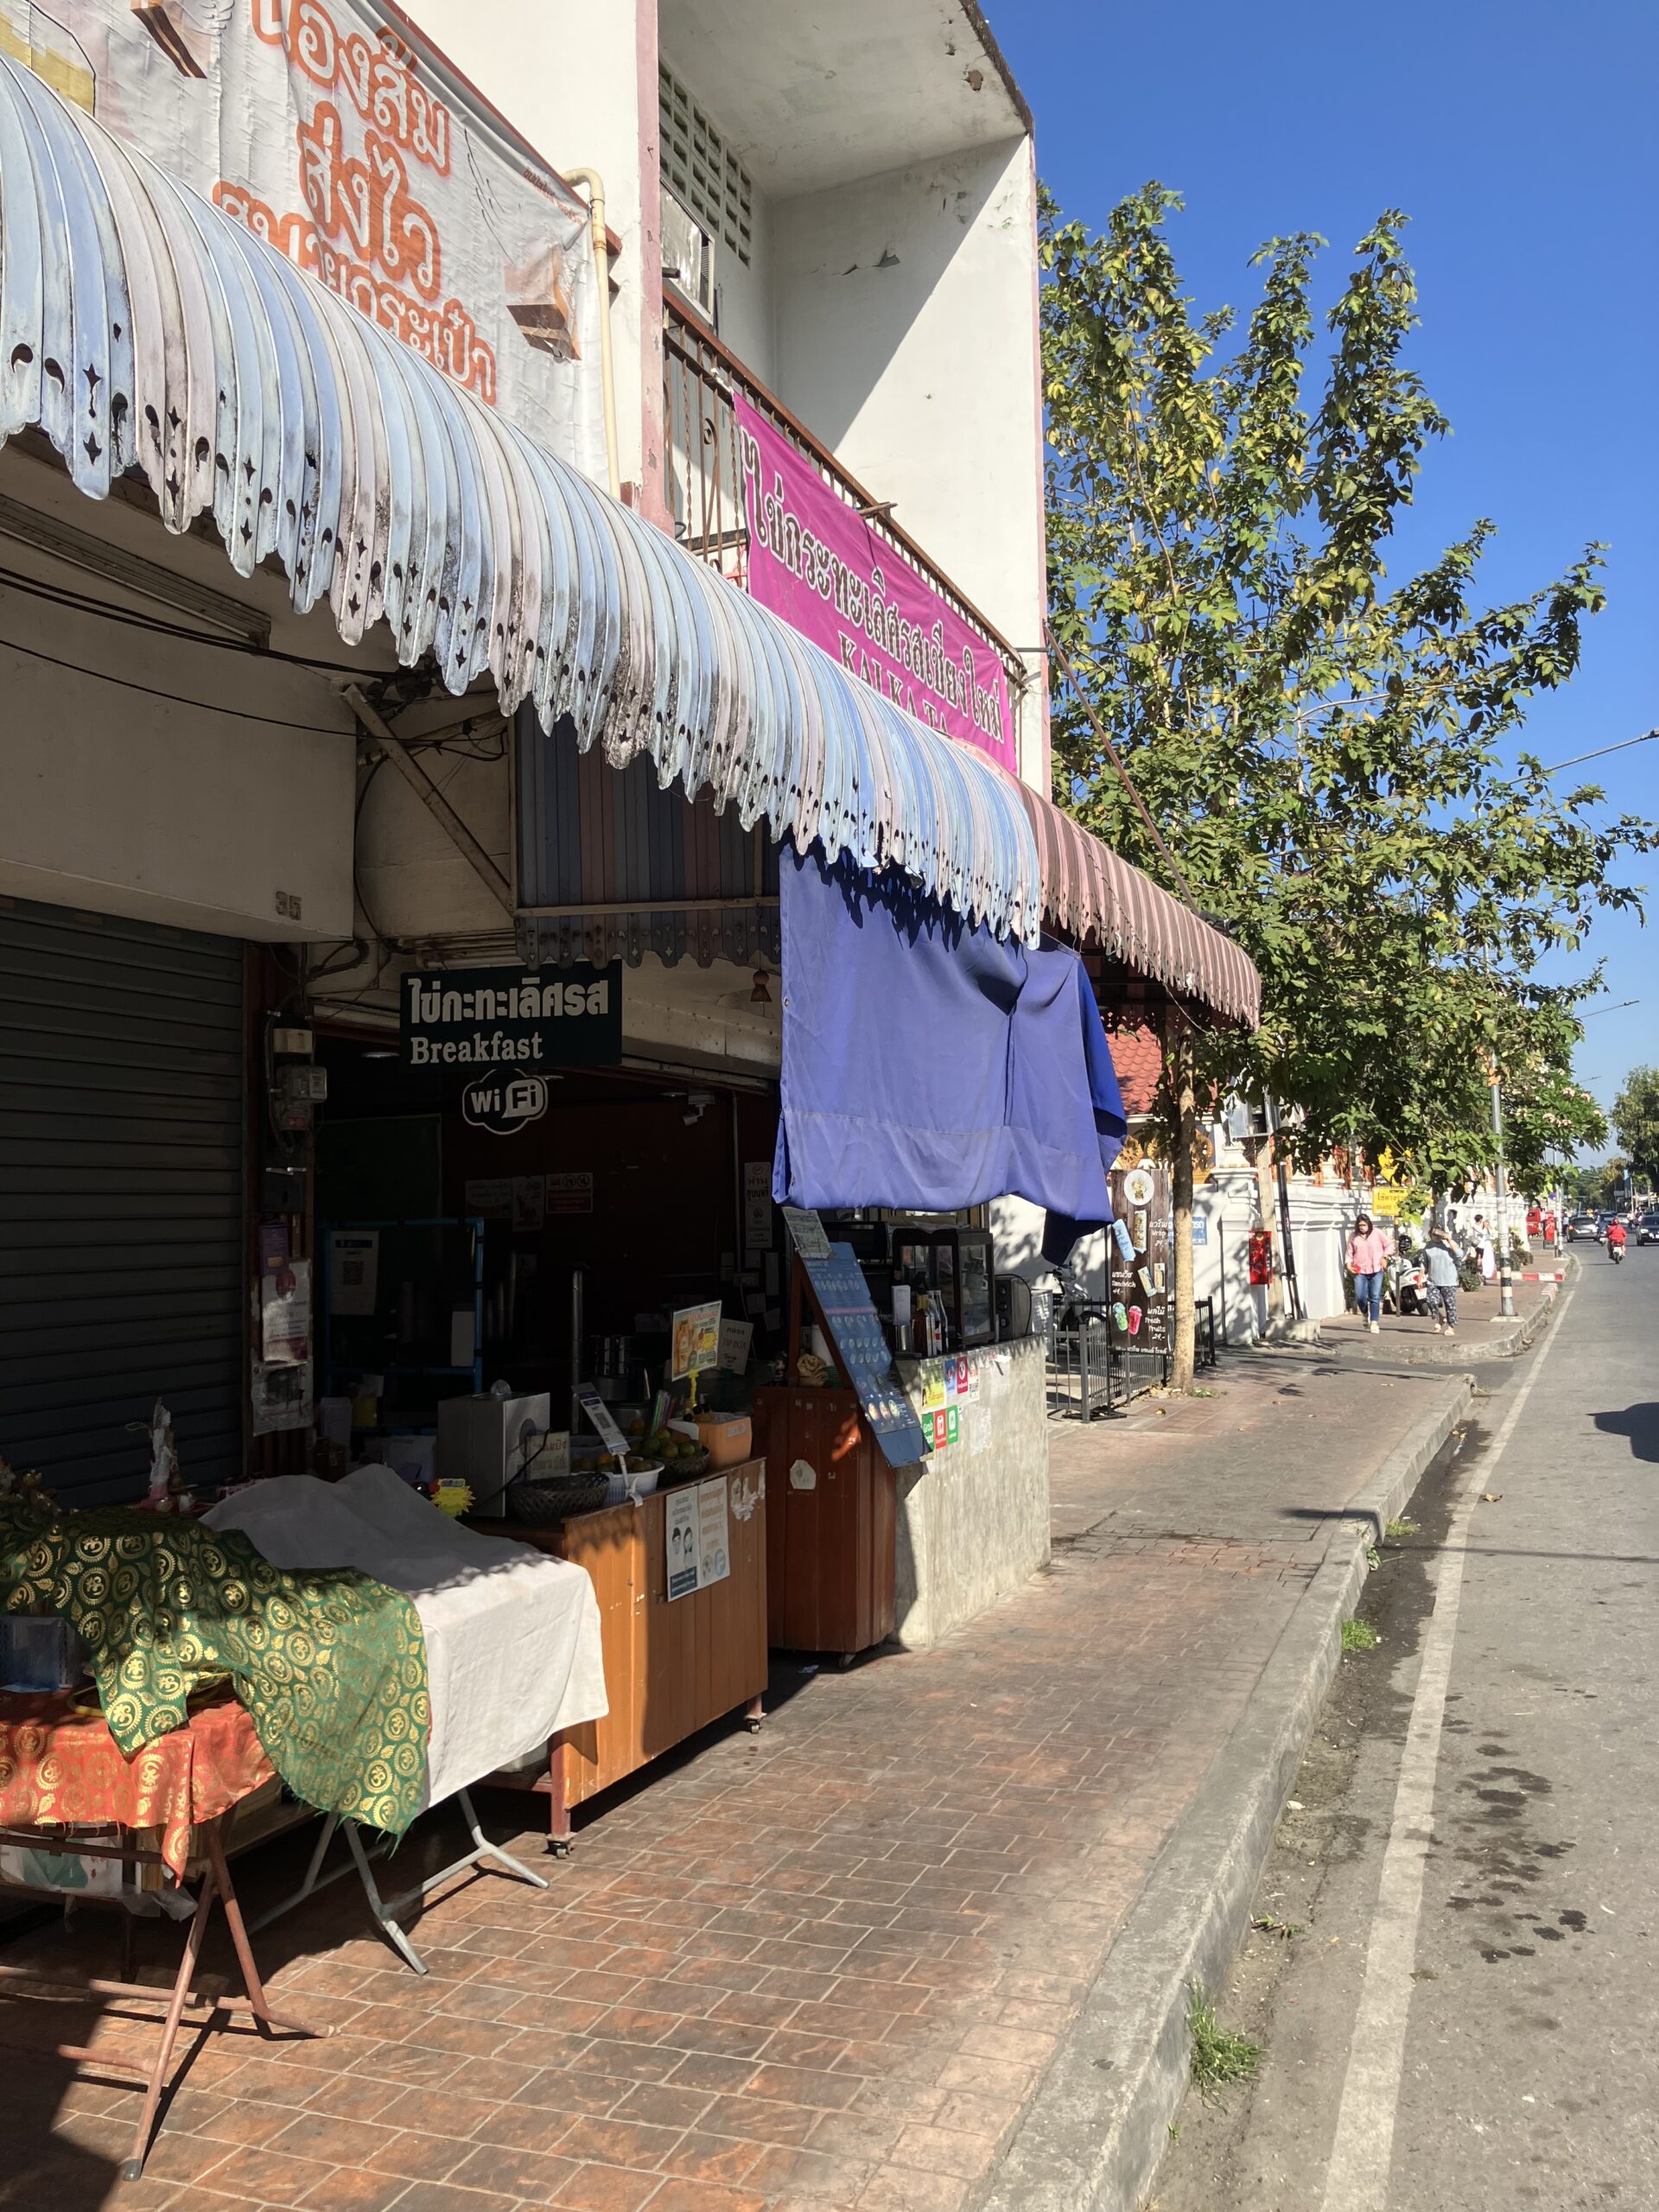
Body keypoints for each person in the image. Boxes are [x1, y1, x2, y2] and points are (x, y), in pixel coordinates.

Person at [1346, 1211, 1391, 1332]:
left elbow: (1389, 1245)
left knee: (1375, 1297)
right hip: (1360, 1270)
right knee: (1360, 1296)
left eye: (1364, 1225)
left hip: (1376, 1269)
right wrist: (1348, 1264)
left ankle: (1374, 1323)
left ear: (1369, 1224)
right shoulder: (1353, 1236)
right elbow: (1349, 1253)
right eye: (1360, 1225)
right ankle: (1365, 1313)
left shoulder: (1377, 1233)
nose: (1362, 1227)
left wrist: (1384, 1257)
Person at [1423, 1229, 1462, 1336]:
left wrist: (1449, 1240)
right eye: (1433, 1234)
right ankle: (1440, 1317)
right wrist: (1421, 1274)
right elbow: (1424, 1262)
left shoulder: (1448, 1245)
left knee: (1450, 1304)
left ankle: (1451, 1326)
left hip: (1448, 1280)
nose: (1436, 1237)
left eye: (1438, 1234)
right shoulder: (1428, 1247)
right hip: (1433, 1280)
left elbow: (1459, 1254)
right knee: (1431, 1301)